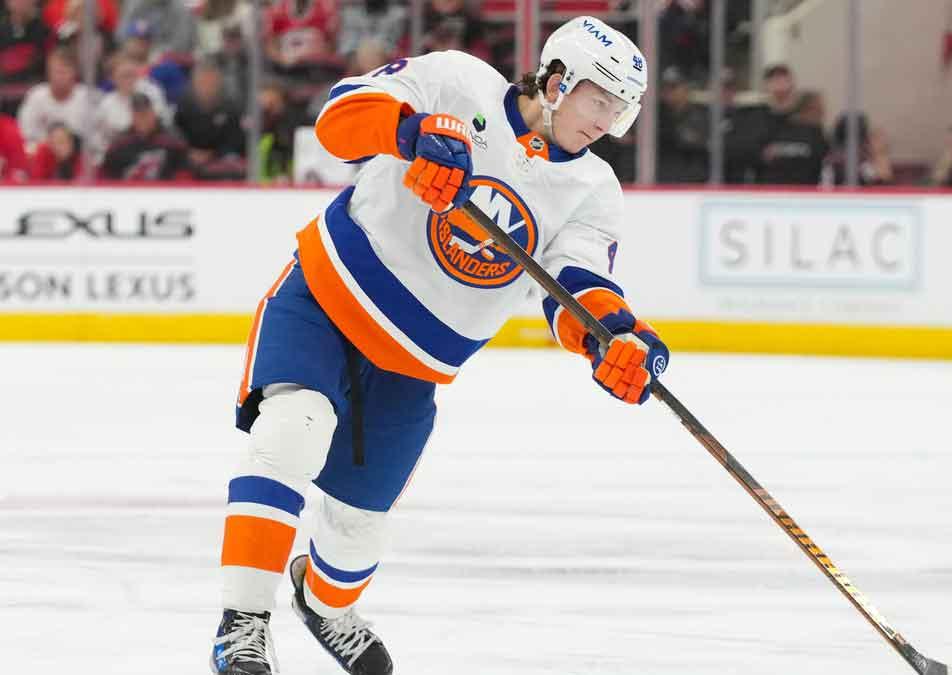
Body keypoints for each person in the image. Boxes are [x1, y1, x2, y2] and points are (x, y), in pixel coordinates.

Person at [210, 16, 669, 675]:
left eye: (619, 110)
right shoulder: (459, 84)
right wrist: (409, 135)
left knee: (356, 528)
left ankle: (324, 602)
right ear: (559, 80)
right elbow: (340, 116)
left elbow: (577, 286)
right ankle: (243, 622)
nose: (607, 120)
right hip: (328, 299)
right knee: (292, 430)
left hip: (411, 367)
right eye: (601, 100)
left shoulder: (592, 192)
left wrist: (614, 338)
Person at [758, 65, 828, 185]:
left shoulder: (808, 123)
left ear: (792, 84)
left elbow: (820, 157)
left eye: (783, 80)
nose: (779, 86)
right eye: (775, 80)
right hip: (768, 194)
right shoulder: (757, 122)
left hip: (803, 193)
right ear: (766, 86)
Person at [99, 91, 188, 179]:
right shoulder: (119, 145)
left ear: (153, 113)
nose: (142, 119)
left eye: (145, 114)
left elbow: (184, 173)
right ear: (132, 116)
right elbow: (108, 177)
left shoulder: (173, 142)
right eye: (138, 114)